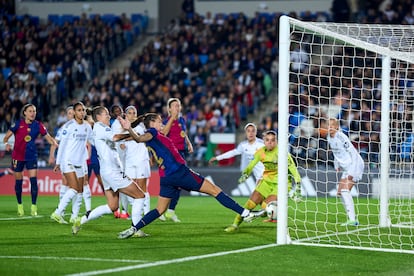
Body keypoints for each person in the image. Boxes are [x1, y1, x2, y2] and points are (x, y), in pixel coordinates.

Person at [115, 113, 265, 239]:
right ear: (152, 123)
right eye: (160, 121)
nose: (162, 123)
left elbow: (139, 137)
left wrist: (126, 134)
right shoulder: (153, 133)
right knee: (214, 190)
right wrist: (129, 130)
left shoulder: (154, 135)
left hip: (167, 177)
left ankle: (134, 228)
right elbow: (139, 138)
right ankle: (245, 213)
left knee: (160, 210)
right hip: (179, 172)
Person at [72, 106, 148, 237]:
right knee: (140, 195)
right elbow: (116, 137)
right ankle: (136, 229)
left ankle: (81, 220)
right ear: (98, 117)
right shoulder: (101, 127)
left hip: (106, 172)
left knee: (112, 206)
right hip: (113, 172)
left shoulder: (98, 129)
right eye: (106, 114)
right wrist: (132, 134)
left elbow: (119, 137)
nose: (109, 116)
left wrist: (135, 136)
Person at [224, 130, 302, 232]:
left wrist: (298, 183)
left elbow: (292, 168)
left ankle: (259, 213)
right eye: (267, 140)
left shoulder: (282, 153)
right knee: (249, 204)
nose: (270, 142)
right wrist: (246, 173)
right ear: (263, 141)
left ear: (276, 142)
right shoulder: (260, 152)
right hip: (266, 182)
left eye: (273, 140)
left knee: (268, 206)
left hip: (281, 184)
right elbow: (252, 164)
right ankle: (235, 225)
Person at [3, 103, 58, 216]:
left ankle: (33, 207)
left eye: (34, 111)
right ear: (25, 113)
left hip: (31, 156)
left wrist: (54, 142)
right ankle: (20, 206)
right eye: (30, 111)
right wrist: (6, 144)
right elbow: (5, 137)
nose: (33, 113)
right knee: (19, 182)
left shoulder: (38, 125)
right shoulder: (18, 124)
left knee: (33, 181)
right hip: (17, 156)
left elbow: (48, 138)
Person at [50, 102, 92, 225]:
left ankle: (74, 216)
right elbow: (61, 144)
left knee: (80, 190)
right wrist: (58, 162)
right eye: (79, 110)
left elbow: (92, 140)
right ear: (74, 112)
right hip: (67, 160)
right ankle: (58, 212)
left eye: (83, 110)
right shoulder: (68, 126)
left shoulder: (87, 126)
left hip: (80, 161)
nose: (82, 112)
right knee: (73, 188)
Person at [159, 98, 194, 222]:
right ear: (169, 109)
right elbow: (163, 133)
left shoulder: (182, 119)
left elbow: (183, 133)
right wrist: (172, 118)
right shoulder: (166, 121)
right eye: (174, 106)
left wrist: (188, 143)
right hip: (171, 155)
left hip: (182, 153)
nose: (177, 108)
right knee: (171, 183)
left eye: (178, 105)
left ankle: (170, 211)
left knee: (179, 184)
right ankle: (162, 211)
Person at [209, 123, 265, 196]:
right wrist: (217, 158)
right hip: (258, 176)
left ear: (256, 132)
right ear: (246, 133)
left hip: (267, 174)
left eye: (253, 131)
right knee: (260, 197)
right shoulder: (243, 145)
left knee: (258, 196)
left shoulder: (262, 144)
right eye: (248, 131)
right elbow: (232, 153)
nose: (251, 133)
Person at [327, 118, 364, 226]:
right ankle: (350, 218)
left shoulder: (341, 137)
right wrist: (336, 164)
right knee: (339, 193)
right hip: (346, 167)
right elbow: (335, 152)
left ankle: (353, 220)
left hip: (355, 165)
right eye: (328, 125)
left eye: (332, 126)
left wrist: (352, 171)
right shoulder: (329, 137)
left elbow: (353, 152)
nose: (330, 128)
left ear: (337, 127)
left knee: (344, 191)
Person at [48, 106, 74, 217]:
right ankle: (61, 212)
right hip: (65, 159)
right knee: (67, 183)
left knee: (73, 185)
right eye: (69, 113)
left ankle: (69, 212)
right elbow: (55, 142)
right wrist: (51, 156)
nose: (71, 115)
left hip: (76, 159)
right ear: (66, 115)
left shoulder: (80, 126)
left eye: (73, 113)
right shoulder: (65, 128)